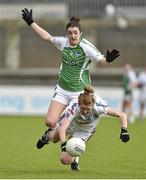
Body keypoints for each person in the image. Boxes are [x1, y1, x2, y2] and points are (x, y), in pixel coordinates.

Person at [21, 8, 120, 148]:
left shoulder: (86, 47)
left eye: (75, 33)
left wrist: (108, 59)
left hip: (78, 93)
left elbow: (101, 59)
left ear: (80, 34)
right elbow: (47, 37)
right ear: (67, 34)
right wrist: (31, 22)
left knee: (66, 125)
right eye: (70, 33)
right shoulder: (63, 43)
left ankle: (59, 137)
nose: (73, 36)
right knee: (50, 122)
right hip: (62, 90)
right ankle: (50, 132)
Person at [44, 85, 130, 171]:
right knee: (53, 139)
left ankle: (75, 161)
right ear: (79, 104)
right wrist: (63, 144)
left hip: (85, 130)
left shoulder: (98, 106)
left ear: (92, 105)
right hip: (71, 124)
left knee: (65, 160)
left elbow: (122, 114)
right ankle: (47, 135)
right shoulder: (74, 106)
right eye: (82, 108)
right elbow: (63, 128)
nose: (85, 111)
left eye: (88, 109)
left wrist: (124, 130)